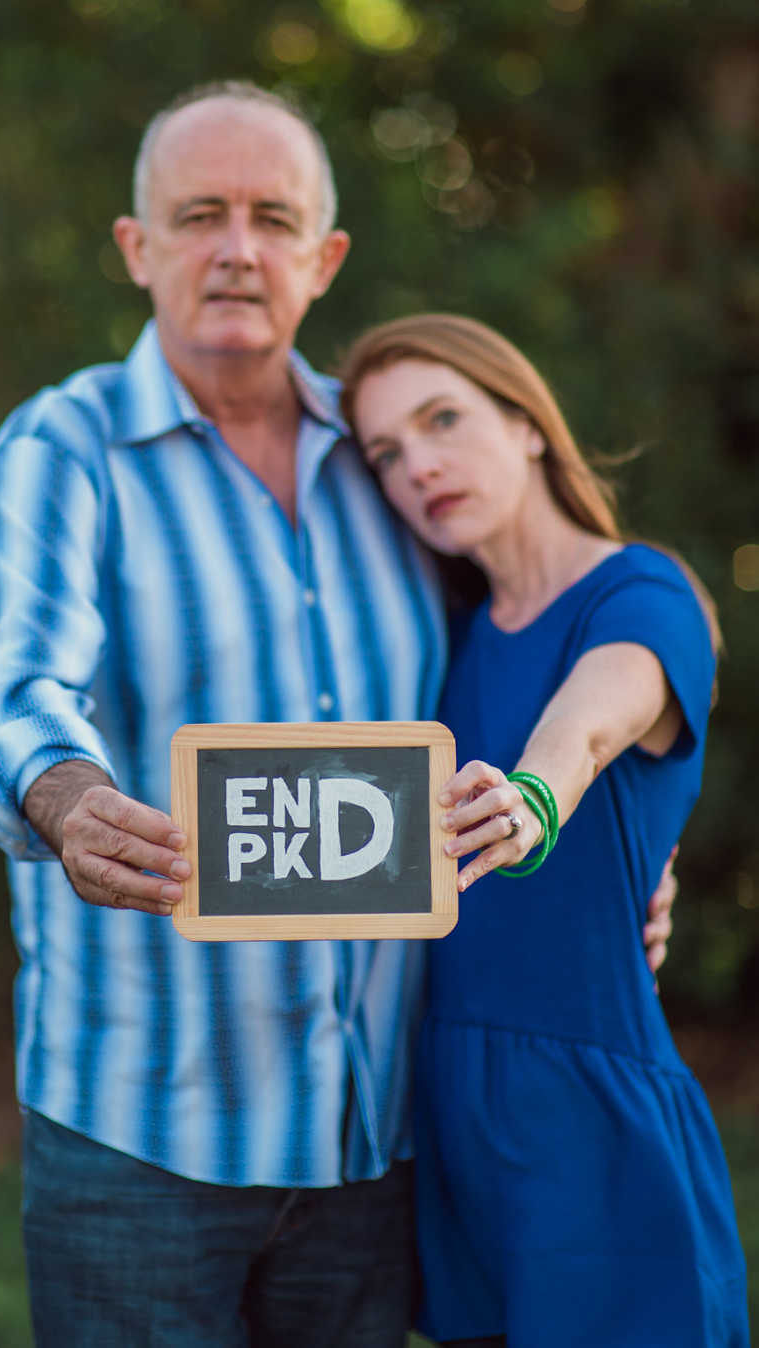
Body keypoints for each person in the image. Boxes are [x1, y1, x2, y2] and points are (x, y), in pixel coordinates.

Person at [0, 82, 675, 1346]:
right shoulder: (60, 447)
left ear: (323, 256)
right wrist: (63, 800)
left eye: (273, 216)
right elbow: (23, 695)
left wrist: (615, 857)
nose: (237, 246)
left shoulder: (399, 458)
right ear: (137, 247)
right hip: (142, 1128)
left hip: (373, 1133)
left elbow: (533, 670)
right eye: (198, 215)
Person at [340, 313, 749, 1347]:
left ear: (525, 422)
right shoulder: (449, 629)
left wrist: (532, 795)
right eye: (388, 452)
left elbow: (600, 713)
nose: (419, 465)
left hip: (594, 1121)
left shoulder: (641, 589)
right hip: (455, 1117)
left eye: (443, 419)